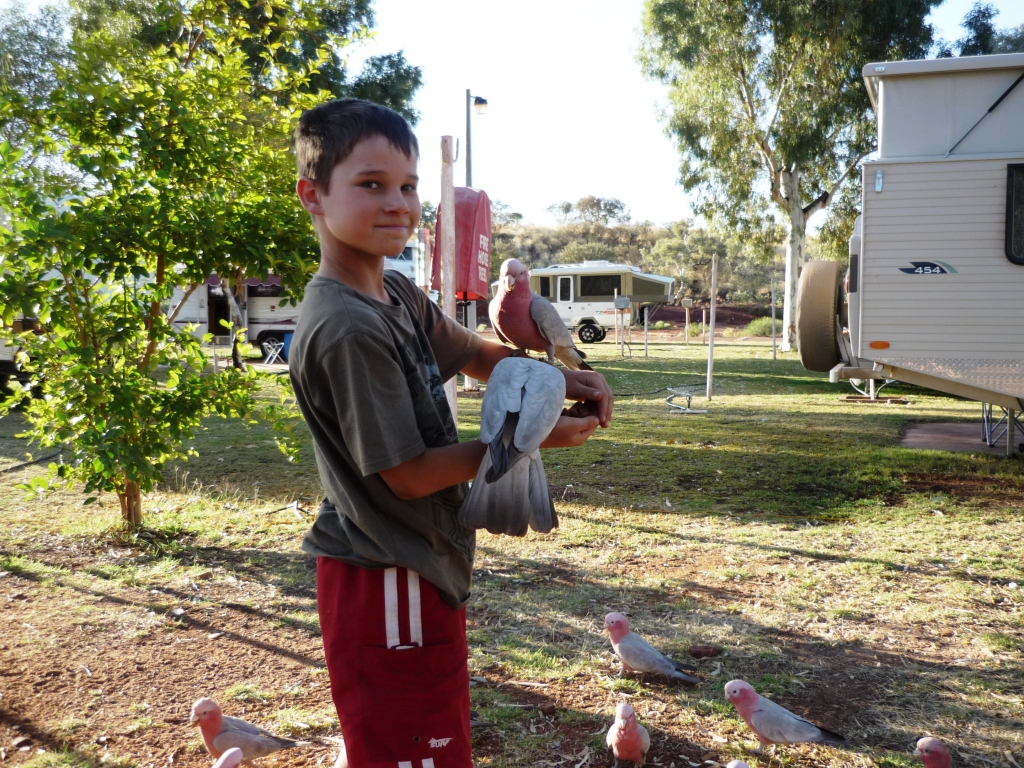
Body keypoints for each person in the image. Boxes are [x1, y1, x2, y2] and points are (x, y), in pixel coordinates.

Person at [289, 98, 614, 768]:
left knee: (432, 739)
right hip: (386, 576)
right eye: (370, 184)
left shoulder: (396, 294)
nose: (399, 204)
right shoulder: (346, 325)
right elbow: (404, 473)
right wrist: (525, 441)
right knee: (415, 753)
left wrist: (559, 382)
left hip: (417, 567)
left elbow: (474, 353)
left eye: (407, 186)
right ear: (312, 196)